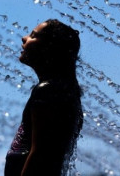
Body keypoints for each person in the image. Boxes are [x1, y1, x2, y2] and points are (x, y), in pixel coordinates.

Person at [5, 19, 83, 176]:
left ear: (50, 49)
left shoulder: (49, 91)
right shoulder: (60, 90)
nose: (24, 38)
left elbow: (41, 154)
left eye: (33, 36)